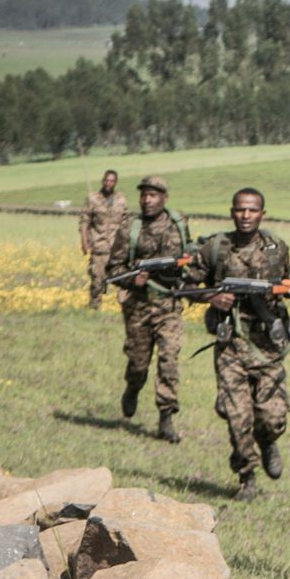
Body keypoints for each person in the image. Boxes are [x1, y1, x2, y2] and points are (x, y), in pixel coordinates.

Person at [189, 188, 290, 502]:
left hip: (267, 347)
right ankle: (247, 478)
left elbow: (288, 282)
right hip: (231, 343)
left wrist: (284, 292)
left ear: (262, 213)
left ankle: (267, 440)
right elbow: (186, 285)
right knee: (237, 417)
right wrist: (212, 296)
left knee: (273, 417)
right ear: (232, 212)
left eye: (252, 210)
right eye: (240, 210)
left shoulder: (277, 249)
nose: (246, 216)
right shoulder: (216, 248)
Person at [106, 175, 191, 442]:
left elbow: (192, 259)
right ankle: (133, 387)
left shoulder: (179, 224)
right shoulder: (130, 228)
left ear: (165, 198)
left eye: (153, 195)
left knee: (169, 360)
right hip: (138, 307)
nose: (147, 200)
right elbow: (113, 269)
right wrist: (133, 278)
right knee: (138, 363)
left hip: (169, 306)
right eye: (144, 195)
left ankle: (166, 417)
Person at [79, 169, 128, 309]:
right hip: (99, 246)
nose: (108, 183)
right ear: (102, 181)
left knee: (123, 280)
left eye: (111, 181)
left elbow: (125, 222)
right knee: (97, 281)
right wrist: (84, 241)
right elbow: (84, 221)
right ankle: (94, 308)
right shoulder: (93, 198)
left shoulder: (121, 200)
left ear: (116, 183)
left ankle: (124, 310)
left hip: (117, 249)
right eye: (106, 180)